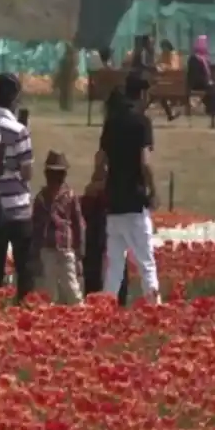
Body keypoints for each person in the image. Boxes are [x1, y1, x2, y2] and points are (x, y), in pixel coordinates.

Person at [94, 71, 160, 305]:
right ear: (142, 93)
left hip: (114, 202)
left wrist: (97, 182)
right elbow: (144, 162)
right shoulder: (142, 122)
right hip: (135, 201)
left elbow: (100, 159)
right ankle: (156, 311)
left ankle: (104, 310)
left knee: (114, 265)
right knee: (146, 263)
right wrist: (153, 190)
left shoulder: (112, 122)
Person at [0, 73, 35, 301]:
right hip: (17, 206)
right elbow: (27, 172)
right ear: (14, 98)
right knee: (24, 267)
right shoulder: (18, 130)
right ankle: (23, 306)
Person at [30, 151, 85, 305]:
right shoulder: (41, 198)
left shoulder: (70, 196)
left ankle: (80, 311)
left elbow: (78, 223)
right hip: (47, 248)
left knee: (71, 284)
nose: (55, 177)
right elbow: (36, 226)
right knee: (48, 288)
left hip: (66, 248)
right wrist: (35, 251)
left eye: (59, 173)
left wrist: (80, 251)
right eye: (52, 173)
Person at [80, 167, 129, 304]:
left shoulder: (96, 193)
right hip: (98, 238)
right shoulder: (98, 194)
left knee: (112, 270)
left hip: (100, 238)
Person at [187, 35, 215, 117]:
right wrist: (207, 81)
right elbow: (194, 75)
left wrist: (209, 81)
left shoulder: (205, 58)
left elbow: (208, 73)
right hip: (196, 83)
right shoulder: (193, 59)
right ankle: (212, 110)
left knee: (212, 88)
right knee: (211, 89)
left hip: (203, 83)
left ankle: (212, 108)